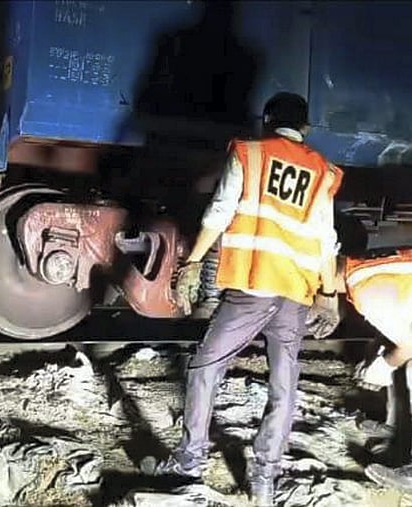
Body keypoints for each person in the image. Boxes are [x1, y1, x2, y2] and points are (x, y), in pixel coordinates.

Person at [148, 92, 344, 506]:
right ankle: (264, 480)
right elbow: (326, 240)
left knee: (205, 367)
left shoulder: (249, 153)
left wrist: (195, 261)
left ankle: (190, 460)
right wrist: (329, 295)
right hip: (296, 290)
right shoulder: (323, 172)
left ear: (267, 120)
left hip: (253, 286)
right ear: (305, 128)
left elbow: (219, 212)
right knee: (284, 381)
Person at [327, 248, 412, 492]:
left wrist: (382, 366)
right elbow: (400, 324)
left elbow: (408, 345)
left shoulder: (368, 291)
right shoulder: (362, 268)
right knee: (402, 364)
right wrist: (379, 355)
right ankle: (398, 431)